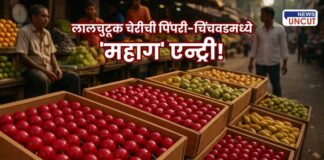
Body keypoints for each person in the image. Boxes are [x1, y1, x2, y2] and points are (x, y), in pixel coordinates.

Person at [16, 4, 80, 98]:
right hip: (31, 70)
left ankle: (72, 106)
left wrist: (57, 68)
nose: (46, 19)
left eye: (47, 17)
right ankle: (44, 109)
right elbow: (23, 57)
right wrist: (45, 71)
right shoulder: (24, 31)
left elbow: (52, 53)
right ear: (33, 17)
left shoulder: (47, 33)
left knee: (72, 77)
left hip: (47, 69)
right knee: (42, 79)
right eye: (43, 16)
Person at [248, 7, 289, 96]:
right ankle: (259, 103)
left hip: (274, 63)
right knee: (259, 85)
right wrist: (250, 62)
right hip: (260, 63)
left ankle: (278, 103)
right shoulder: (258, 29)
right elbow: (254, 46)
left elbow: (283, 47)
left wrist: (285, 63)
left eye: (262, 14)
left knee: (276, 85)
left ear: (269, 15)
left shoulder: (280, 29)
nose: (260, 16)